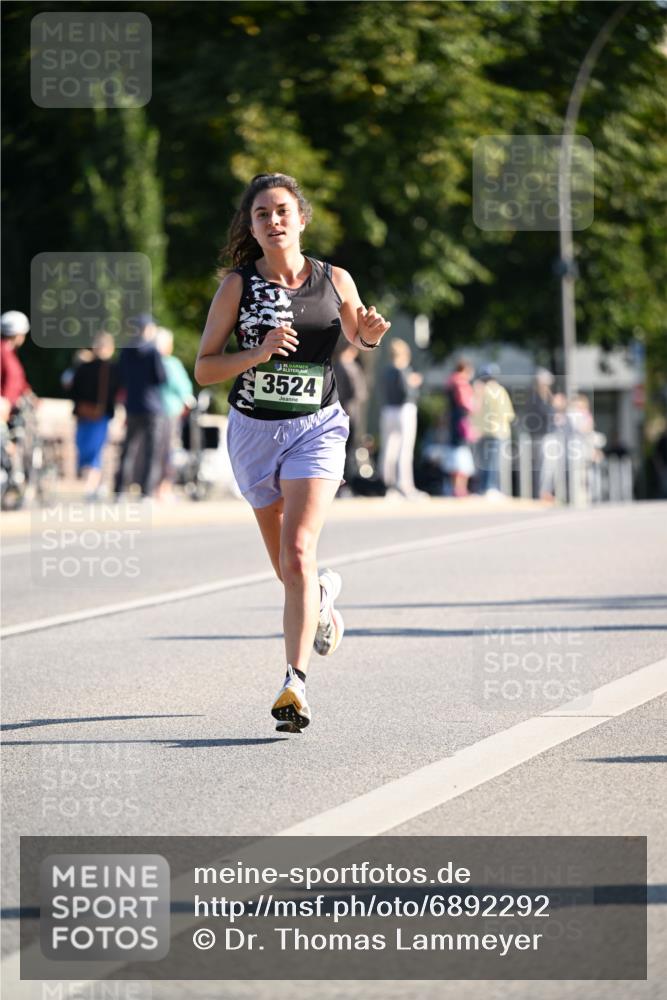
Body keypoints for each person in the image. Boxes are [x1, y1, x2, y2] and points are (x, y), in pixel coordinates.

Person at [195, 172, 390, 734]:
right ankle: (322, 601)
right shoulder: (237, 286)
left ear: (301, 218)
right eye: (261, 214)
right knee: (289, 569)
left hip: (317, 426)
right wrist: (254, 354)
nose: (273, 221)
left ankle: (294, 684)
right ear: (251, 228)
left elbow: (360, 336)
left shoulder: (335, 279)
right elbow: (205, 368)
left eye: (282, 211)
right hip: (254, 431)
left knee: (299, 551)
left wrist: (371, 333)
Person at [114, 313, 167, 499]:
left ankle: (120, 490)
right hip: (153, 407)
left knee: (128, 449)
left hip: (133, 404)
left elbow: (120, 377)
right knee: (151, 452)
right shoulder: (153, 351)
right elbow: (161, 378)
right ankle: (146, 492)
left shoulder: (126, 350)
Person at [69, 331, 118, 502]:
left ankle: (91, 485)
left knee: (90, 450)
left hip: (87, 414)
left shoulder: (84, 367)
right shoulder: (109, 368)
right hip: (97, 415)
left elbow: (73, 389)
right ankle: (92, 485)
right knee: (93, 451)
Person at [378, 338, 424, 498]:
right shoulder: (403, 370)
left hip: (388, 410)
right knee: (405, 449)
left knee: (388, 449)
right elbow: (407, 392)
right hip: (404, 410)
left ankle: (387, 485)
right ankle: (404, 485)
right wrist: (414, 384)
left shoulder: (387, 370)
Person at [155, 326, 194, 500]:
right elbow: (184, 389)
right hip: (169, 412)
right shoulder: (171, 364)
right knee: (168, 451)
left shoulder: (146, 361)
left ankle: (155, 488)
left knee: (156, 452)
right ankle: (164, 489)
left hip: (153, 413)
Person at [473, 362, 515, 496]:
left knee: (482, 462)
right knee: (493, 462)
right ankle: (490, 488)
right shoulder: (499, 390)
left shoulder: (478, 390)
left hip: (481, 432)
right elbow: (509, 414)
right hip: (498, 432)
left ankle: (482, 488)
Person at [332, 341, 368, 494]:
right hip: (349, 412)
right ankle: (344, 484)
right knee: (347, 449)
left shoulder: (337, 366)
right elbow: (357, 392)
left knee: (345, 449)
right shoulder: (347, 367)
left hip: (344, 411)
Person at [444, 359, 476, 497]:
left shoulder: (450, 382)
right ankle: (460, 488)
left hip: (454, 421)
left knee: (455, 454)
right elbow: (466, 403)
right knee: (461, 456)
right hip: (460, 421)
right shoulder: (460, 383)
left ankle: (455, 487)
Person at [1, 311, 33, 423]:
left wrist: (27, 391)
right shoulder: (4, 353)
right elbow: (12, 380)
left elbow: (18, 381)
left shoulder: (10, 353)